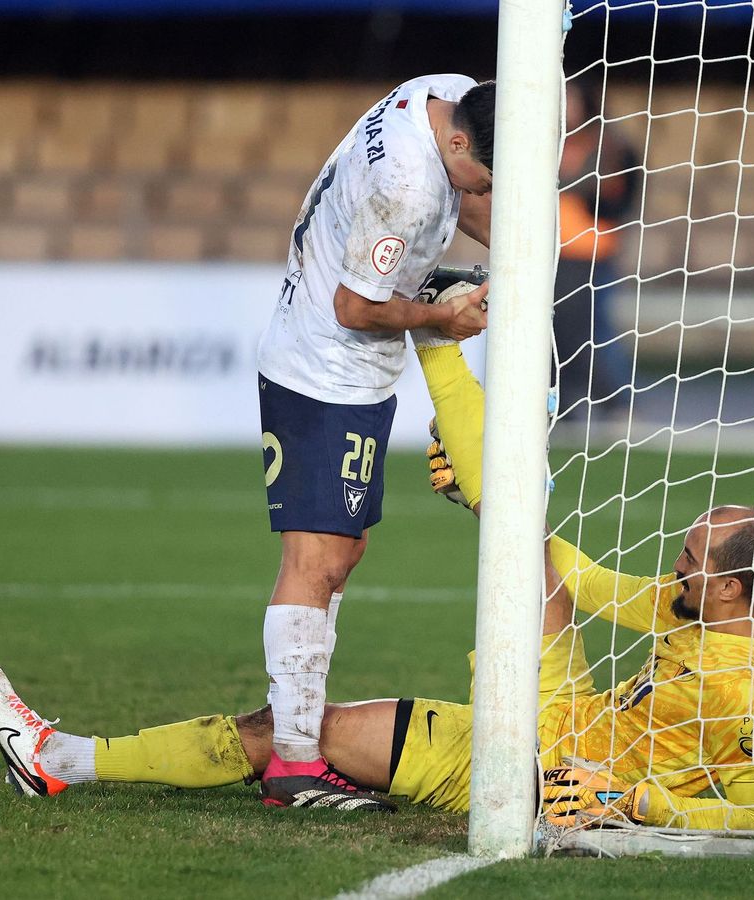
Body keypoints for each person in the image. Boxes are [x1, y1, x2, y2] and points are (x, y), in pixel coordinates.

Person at [0, 325, 754, 830]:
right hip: (568, 711)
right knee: (526, 543)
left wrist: (640, 802)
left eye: (688, 564)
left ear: (727, 589)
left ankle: (60, 758)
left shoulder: (745, 692)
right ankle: (440, 349)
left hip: (537, 765)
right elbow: (577, 576)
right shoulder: (693, 612)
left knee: (293, 730)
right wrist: (489, 510)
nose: (674, 571)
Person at [249, 75, 495, 811]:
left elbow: (471, 201)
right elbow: (355, 305)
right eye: (484, 176)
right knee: (316, 561)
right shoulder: (409, 189)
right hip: (322, 370)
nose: (483, 194)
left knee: (341, 554)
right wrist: (440, 320)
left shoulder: (443, 90)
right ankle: (293, 761)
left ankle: (294, 729)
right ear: (456, 142)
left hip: (349, 375)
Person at [552, 79, 640, 423]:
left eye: (572, 99)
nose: (567, 106)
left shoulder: (608, 145)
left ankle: (618, 402)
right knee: (555, 333)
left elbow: (621, 193)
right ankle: (563, 405)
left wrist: (581, 196)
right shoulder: (552, 141)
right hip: (552, 251)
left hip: (591, 249)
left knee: (592, 331)